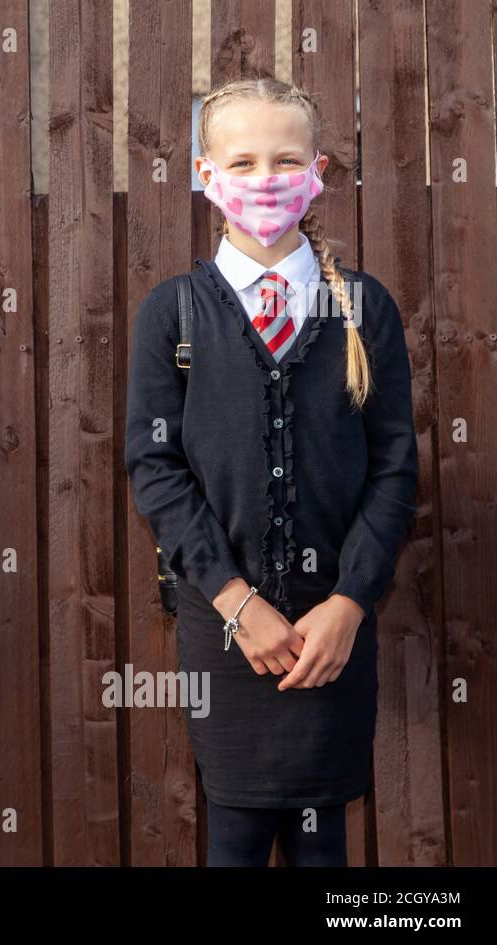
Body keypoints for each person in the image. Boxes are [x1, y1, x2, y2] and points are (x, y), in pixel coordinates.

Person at [123, 78, 418, 866]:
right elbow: (155, 468)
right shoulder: (173, 313)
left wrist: (350, 603)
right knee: (236, 838)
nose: (264, 178)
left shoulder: (363, 307)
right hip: (225, 633)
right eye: (242, 161)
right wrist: (234, 602)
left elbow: (394, 470)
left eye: (285, 159)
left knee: (324, 844)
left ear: (317, 171)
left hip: (332, 635)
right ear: (205, 175)